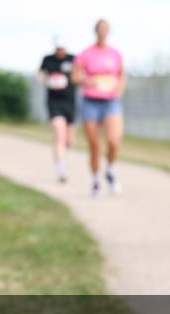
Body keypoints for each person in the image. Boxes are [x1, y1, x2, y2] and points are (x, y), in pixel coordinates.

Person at [72, 20, 125, 197]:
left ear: (109, 31)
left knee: (113, 140)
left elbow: (122, 76)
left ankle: (110, 170)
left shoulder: (115, 53)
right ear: (95, 31)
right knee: (94, 144)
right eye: (100, 29)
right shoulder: (86, 54)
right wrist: (89, 81)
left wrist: (119, 88)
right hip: (91, 101)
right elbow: (75, 76)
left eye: (105, 29)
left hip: (111, 101)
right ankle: (95, 180)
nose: (103, 31)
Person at [38, 39, 77, 183]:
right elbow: (40, 74)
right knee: (59, 134)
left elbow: (79, 75)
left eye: (62, 49)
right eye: (58, 49)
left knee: (69, 140)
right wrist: (47, 81)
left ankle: (63, 156)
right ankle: (61, 170)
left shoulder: (73, 59)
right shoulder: (48, 59)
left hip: (69, 102)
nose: (60, 51)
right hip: (54, 102)